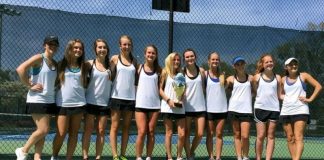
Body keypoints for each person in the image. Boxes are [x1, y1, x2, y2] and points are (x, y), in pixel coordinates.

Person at [15, 35, 60, 160]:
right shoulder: (39, 58)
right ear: (44, 45)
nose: (52, 47)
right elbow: (20, 69)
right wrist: (29, 85)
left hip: (50, 100)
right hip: (37, 100)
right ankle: (23, 151)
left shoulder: (55, 63)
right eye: (50, 44)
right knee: (44, 129)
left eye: (55, 45)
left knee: (42, 131)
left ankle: (37, 157)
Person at [51, 39, 87, 160]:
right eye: (75, 48)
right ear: (70, 49)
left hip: (79, 104)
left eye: (80, 48)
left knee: (73, 134)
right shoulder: (60, 64)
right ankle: (54, 156)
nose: (78, 50)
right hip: (63, 104)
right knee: (61, 133)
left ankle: (68, 158)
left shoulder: (85, 66)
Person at [280, 57, 322, 160]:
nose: (294, 66)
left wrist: (310, 99)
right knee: (290, 138)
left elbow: (318, 86)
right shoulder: (283, 79)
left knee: (298, 137)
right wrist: (285, 98)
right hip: (286, 111)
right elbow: (280, 93)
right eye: (291, 64)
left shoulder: (304, 76)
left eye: (295, 64)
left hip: (301, 110)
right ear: (286, 67)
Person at [82, 39, 112, 160]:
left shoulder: (111, 66)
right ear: (95, 49)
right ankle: (85, 156)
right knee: (88, 130)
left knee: (101, 131)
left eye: (104, 47)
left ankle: (98, 156)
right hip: (90, 102)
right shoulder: (89, 64)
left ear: (107, 50)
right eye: (99, 47)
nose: (102, 49)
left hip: (104, 104)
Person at [109, 35, 137, 160]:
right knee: (114, 127)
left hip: (130, 99)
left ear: (131, 46)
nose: (126, 47)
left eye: (128, 44)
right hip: (116, 98)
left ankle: (123, 154)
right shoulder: (114, 59)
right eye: (124, 44)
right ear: (120, 45)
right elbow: (107, 75)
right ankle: (115, 155)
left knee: (126, 127)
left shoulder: (134, 61)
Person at [135, 45, 162, 160]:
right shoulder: (138, 68)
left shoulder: (160, 70)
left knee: (151, 131)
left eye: (153, 53)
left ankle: (148, 156)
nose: (150, 55)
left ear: (156, 55)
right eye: (149, 53)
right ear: (145, 54)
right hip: (140, 105)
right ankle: (138, 157)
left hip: (155, 106)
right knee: (141, 132)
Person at [252, 54, 281, 160]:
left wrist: (294, 97)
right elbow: (255, 92)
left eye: (271, 61)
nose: (269, 63)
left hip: (274, 109)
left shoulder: (278, 78)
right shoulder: (257, 77)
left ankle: (268, 158)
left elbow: (279, 95)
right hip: (260, 109)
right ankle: (258, 158)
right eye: (267, 62)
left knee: (271, 135)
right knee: (260, 135)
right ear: (262, 64)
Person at [159, 52, 186, 160]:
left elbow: (183, 89)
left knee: (182, 134)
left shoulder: (182, 74)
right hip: (167, 107)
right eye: (174, 59)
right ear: (170, 60)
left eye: (178, 60)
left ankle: (179, 156)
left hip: (180, 107)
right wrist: (169, 100)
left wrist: (182, 98)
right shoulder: (165, 72)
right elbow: (160, 90)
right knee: (169, 133)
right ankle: (169, 157)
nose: (176, 62)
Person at [226, 56, 253, 160]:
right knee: (237, 134)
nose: (240, 65)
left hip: (246, 110)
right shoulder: (230, 79)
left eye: (242, 63)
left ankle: (245, 156)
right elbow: (224, 88)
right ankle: (239, 156)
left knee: (245, 136)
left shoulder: (251, 78)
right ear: (234, 66)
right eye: (238, 64)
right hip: (234, 109)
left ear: (245, 64)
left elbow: (256, 91)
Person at [182, 48, 206, 160]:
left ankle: (191, 151)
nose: (190, 58)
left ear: (195, 57)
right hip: (186, 108)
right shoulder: (181, 72)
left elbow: (204, 88)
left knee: (200, 133)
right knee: (186, 133)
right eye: (187, 57)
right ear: (184, 59)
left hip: (200, 108)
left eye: (191, 56)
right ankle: (188, 156)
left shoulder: (201, 71)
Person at [205, 52, 227, 160]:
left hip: (222, 109)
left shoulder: (223, 75)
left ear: (219, 61)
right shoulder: (204, 74)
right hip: (209, 109)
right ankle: (211, 157)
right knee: (210, 134)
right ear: (208, 61)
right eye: (213, 59)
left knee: (219, 134)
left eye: (217, 59)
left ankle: (218, 157)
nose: (215, 61)